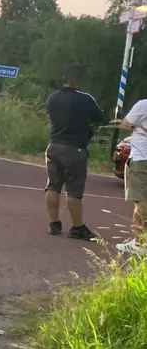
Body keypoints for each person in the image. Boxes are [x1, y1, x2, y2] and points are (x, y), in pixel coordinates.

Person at [44, 63, 105, 239]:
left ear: (64, 78)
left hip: (54, 145)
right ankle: (77, 227)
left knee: (53, 186)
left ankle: (54, 224)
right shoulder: (86, 99)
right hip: (75, 148)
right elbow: (99, 117)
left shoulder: (53, 98)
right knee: (74, 190)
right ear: (79, 79)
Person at [110, 99, 147, 254]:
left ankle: (140, 243)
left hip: (141, 158)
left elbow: (126, 124)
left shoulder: (143, 104)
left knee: (141, 201)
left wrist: (119, 122)